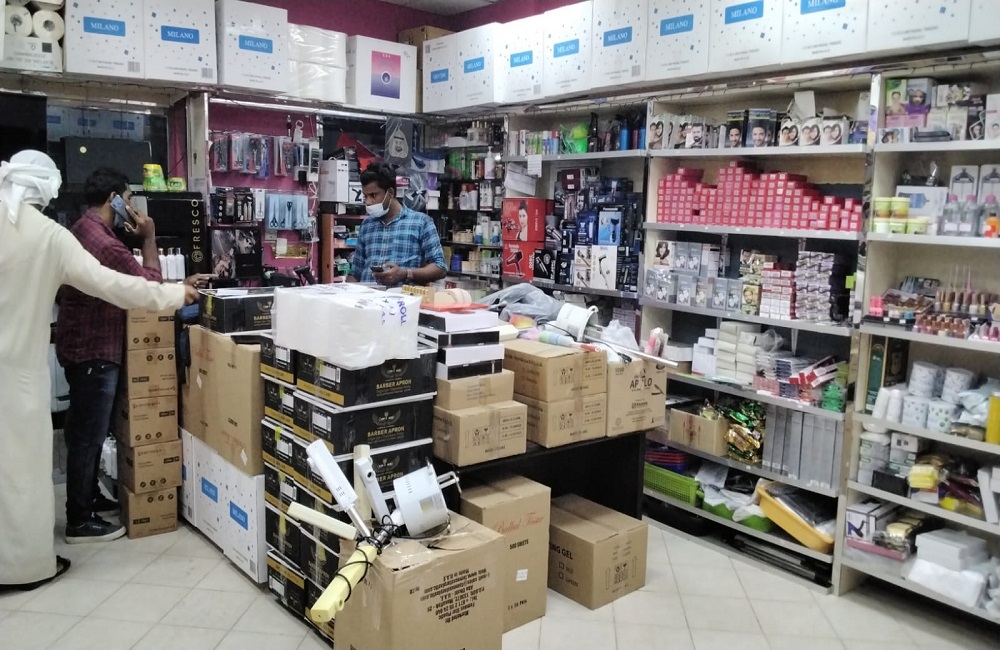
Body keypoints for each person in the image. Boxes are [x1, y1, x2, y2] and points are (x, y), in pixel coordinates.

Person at [0, 150, 195, 591]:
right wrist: (175, 294)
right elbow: (122, 286)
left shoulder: (72, 230)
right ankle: (24, 564)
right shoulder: (51, 236)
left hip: (46, 359)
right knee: (24, 470)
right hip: (22, 377)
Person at [55, 168, 212, 544]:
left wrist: (177, 286)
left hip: (80, 346)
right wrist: (149, 236)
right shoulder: (104, 243)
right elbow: (147, 285)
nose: (131, 207)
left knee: (84, 431)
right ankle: (80, 519)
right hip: (95, 349)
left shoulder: (82, 229)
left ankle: (87, 497)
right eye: (128, 199)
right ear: (113, 199)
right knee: (89, 435)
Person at [348, 162, 446, 287]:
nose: (368, 202)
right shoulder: (367, 225)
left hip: (402, 297)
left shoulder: (421, 222)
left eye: (373, 195)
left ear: (390, 192)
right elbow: (355, 272)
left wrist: (405, 273)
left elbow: (440, 267)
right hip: (367, 296)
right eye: (365, 196)